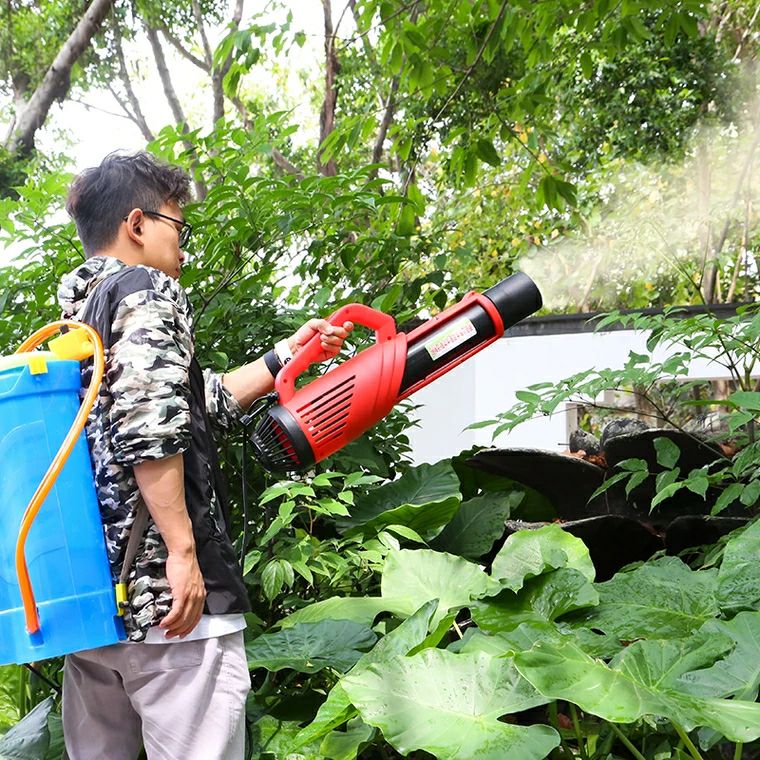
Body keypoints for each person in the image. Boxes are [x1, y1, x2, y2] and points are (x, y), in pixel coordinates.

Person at [57, 151, 353, 760]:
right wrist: (183, 554)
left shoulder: (78, 318)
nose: (183, 247)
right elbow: (150, 427)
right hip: (171, 607)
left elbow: (192, 404)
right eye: (177, 226)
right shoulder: (146, 290)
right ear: (137, 225)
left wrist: (284, 358)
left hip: (95, 604)